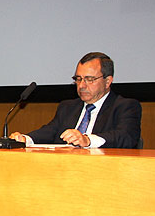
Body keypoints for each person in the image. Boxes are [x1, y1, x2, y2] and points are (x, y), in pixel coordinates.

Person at [10, 52, 141, 148]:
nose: (82, 85)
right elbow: (50, 132)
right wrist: (25, 139)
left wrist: (87, 140)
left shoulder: (125, 106)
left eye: (90, 79)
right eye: (78, 79)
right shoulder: (68, 107)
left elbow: (126, 137)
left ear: (107, 81)